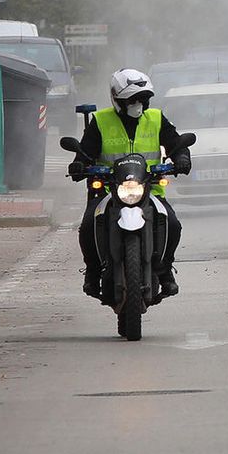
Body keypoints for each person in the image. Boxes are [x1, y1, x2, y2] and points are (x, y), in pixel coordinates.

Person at [68, 68, 191, 299]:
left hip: (149, 190)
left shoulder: (156, 118)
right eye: (132, 100)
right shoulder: (101, 120)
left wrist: (182, 158)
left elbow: (176, 143)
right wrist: (78, 165)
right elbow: (85, 152)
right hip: (108, 192)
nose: (138, 104)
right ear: (118, 100)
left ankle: (165, 272)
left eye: (142, 99)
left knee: (173, 224)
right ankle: (92, 273)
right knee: (87, 226)